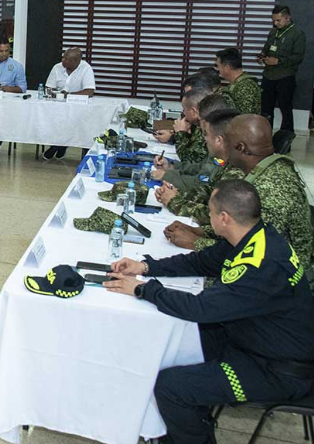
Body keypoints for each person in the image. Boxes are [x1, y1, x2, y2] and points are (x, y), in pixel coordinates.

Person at [104, 179, 314, 444]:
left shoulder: (261, 265)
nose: (208, 217)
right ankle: (165, 429)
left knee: (171, 387)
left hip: (277, 370)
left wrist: (143, 290)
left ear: (224, 218)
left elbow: (199, 308)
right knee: (168, 346)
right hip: (252, 340)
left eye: (211, 212)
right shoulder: (255, 236)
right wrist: (145, 267)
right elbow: (201, 261)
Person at [164, 115, 313, 280]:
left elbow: (253, 253)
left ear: (241, 147)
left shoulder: (269, 191)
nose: (223, 147)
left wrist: (195, 242)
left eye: (226, 142)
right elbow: (242, 228)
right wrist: (199, 231)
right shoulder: (266, 168)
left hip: (282, 282)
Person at [157, 109, 245, 227]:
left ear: (218, 140)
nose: (205, 139)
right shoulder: (227, 162)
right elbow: (208, 191)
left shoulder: (236, 172)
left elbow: (219, 217)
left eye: (206, 134)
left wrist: (175, 202)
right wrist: (177, 194)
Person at [152, 93, 233, 190]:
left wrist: (167, 176)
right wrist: (171, 166)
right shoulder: (219, 149)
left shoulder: (229, 161)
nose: (204, 138)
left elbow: (201, 185)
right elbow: (200, 168)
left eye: (205, 133)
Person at [258, 5, 306, 135]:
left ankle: (286, 138)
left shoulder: (297, 34)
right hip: (269, 76)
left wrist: (278, 61)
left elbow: (298, 57)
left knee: (285, 109)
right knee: (266, 109)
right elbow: (267, 47)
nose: (275, 23)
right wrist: (262, 56)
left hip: (285, 77)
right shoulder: (273, 32)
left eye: (278, 20)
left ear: (288, 18)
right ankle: (265, 136)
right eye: (273, 20)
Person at [42, 48, 96, 160]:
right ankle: (59, 144)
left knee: (77, 122)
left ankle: (59, 145)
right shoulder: (57, 67)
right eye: (63, 57)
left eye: (66, 59)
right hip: (57, 107)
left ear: (76, 61)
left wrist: (69, 95)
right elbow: (48, 88)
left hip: (79, 109)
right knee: (48, 118)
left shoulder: (86, 69)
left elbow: (89, 91)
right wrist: (55, 93)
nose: (63, 60)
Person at [216, 48, 260, 114]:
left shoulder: (245, 86)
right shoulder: (237, 82)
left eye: (218, 66)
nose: (217, 69)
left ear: (226, 68)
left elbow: (244, 117)